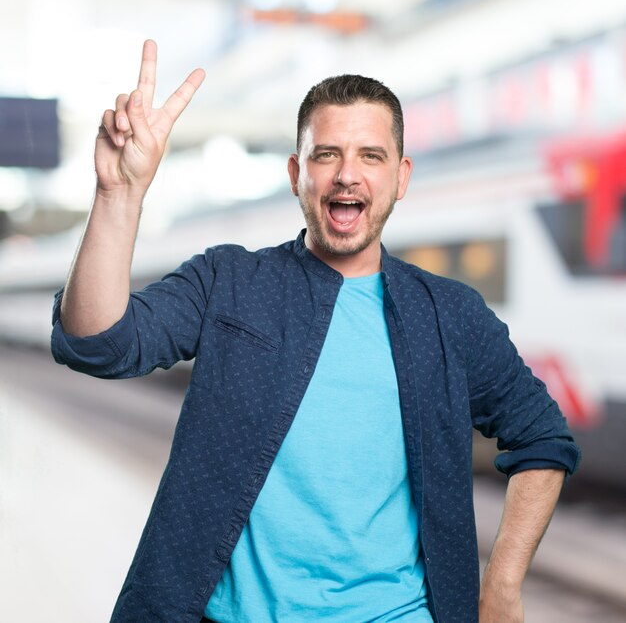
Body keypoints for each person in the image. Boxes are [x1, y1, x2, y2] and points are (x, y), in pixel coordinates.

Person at [51, 40, 580, 623]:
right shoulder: (229, 280)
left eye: (371, 156)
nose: (347, 175)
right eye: (326, 154)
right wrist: (117, 193)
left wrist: (501, 586)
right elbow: (97, 343)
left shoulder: (451, 315)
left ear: (401, 177)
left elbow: (543, 438)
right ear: (296, 174)